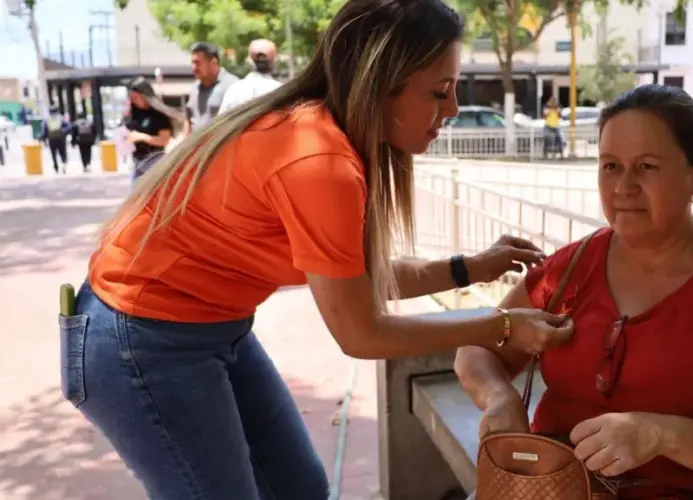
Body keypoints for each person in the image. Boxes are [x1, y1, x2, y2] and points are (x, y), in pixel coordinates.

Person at [61, 1, 574, 499]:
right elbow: (360, 332)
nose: (454, 109)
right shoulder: (318, 159)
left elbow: (355, 277)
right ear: (380, 87)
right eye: (440, 92)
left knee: (300, 488)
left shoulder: (326, 136)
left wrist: (469, 268)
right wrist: (503, 326)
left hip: (214, 329)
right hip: (140, 339)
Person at [455, 84, 693, 499]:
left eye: (647, 167)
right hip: (548, 488)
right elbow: (477, 348)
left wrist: (661, 436)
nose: (623, 187)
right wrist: (499, 397)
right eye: (610, 166)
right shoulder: (571, 267)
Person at [123, 77, 176, 182]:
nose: (133, 100)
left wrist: (142, 137)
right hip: (137, 161)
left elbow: (164, 140)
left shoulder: (158, 114)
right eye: (131, 97)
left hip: (154, 161)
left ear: (145, 95)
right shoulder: (134, 113)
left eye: (135, 97)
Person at [184, 42, 239, 135]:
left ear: (213, 62)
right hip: (196, 147)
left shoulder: (233, 86)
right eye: (192, 63)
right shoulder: (195, 88)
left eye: (197, 63)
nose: (194, 67)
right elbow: (189, 119)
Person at [219, 39, 282, 114]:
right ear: (275, 60)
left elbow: (222, 121)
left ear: (248, 61)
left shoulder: (234, 90)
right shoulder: (281, 91)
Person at [40, 106, 71, 173]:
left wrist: (43, 140)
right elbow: (69, 127)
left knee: (53, 153)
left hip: (51, 139)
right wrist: (63, 132)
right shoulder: (61, 118)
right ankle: (64, 164)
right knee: (63, 153)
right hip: (61, 139)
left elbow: (43, 131)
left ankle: (56, 166)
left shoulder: (46, 119)